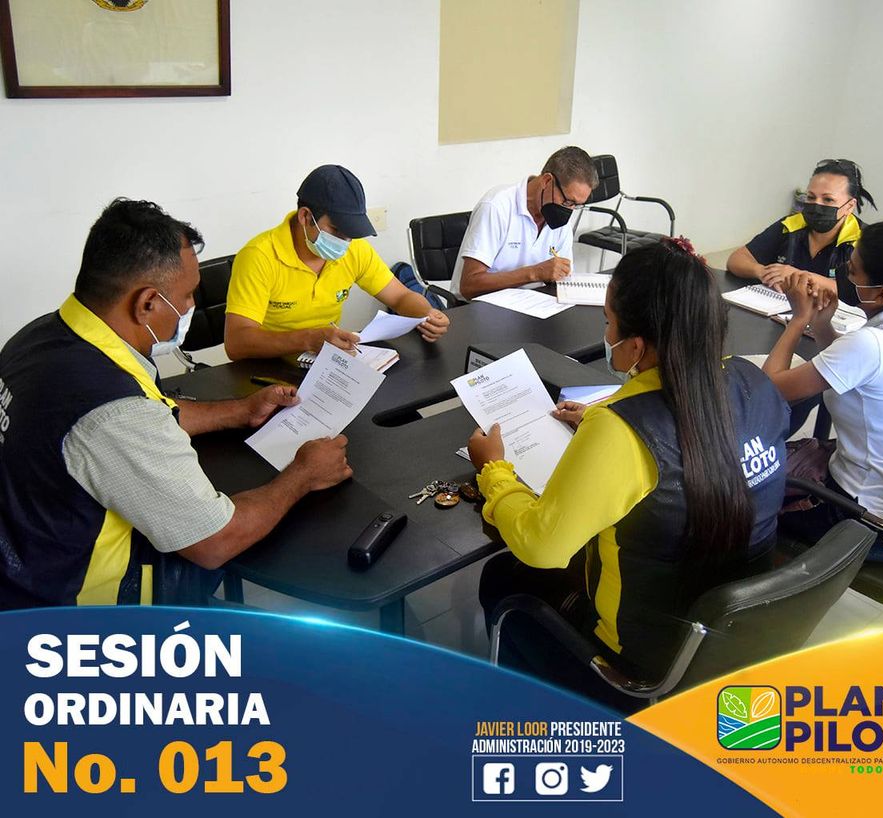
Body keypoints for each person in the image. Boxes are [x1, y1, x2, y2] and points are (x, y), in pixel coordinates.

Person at [466, 239, 789, 695]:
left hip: (642, 659)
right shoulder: (752, 380)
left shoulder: (619, 430)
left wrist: (494, 471)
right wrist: (604, 422)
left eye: (608, 322)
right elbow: (702, 439)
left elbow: (542, 546)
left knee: (504, 576)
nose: (606, 333)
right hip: (735, 631)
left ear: (636, 346)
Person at [0, 199, 353, 609]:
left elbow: (144, 410)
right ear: (147, 303)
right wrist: (303, 475)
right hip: (83, 611)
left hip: (24, 560)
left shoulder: (40, 338)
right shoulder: (113, 411)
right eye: (186, 296)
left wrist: (239, 410)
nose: (189, 307)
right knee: (288, 634)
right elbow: (215, 540)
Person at [762, 221, 883, 560]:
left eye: (851, 270)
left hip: (868, 526)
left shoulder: (872, 344)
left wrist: (798, 319)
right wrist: (821, 324)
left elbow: (771, 389)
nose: (842, 275)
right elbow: (851, 368)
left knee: (742, 488)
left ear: (881, 294)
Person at [224, 165, 449, 360]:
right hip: (266, 368)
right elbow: (236, 343)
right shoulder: (259, 257)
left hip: (325, 362)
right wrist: (308, 339)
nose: (344, 241)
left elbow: (400, 297)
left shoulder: (355, 249)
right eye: (336, 230)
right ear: (305, 217)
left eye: (351, 233)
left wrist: (427, 314)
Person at [451, 146, 598, 300]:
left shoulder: (559, 218)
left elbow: (563, 278)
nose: (570, 210)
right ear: (547, 181)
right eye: (568, 201)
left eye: (577, 205)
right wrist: (534, 273)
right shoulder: (496, 207)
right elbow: (469, 286)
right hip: (478, 306)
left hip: (532, 303)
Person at [727, 159, 876, 297]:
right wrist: (764, 272)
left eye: (828, 199)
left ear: (850, 206)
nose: (817, 205)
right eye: (811, 197)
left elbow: (867, 292)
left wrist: (801, 277)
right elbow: (736, 259)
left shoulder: (866, 240)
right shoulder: (791, 225)